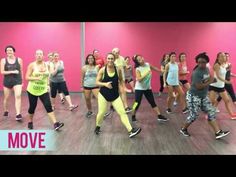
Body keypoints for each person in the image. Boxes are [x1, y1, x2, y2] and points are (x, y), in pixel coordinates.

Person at [180, 52, 230, 139]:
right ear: (197, 62)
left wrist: (212, 80)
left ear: (206, 62)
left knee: (211, 112)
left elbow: (207, 79)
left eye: (203, 62)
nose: (201, 64)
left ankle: (218, 132)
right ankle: (183, 129)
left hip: (203, 96)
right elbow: (199, 86)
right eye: (199, 62)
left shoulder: (206, 69)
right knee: (194, 116)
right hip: (193, 96)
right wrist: (210, 81)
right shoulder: (196, 73)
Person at [94, 53, 141, 138]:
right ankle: (97, 126)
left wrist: (123, 88)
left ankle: (131, 130)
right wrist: (105, 84)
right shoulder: (102, 70)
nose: (110, 60)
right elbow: (96, 82)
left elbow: (121, 80)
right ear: (106, 59)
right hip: (103, 95)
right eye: (109, 58)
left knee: (122, 112)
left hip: (115, 95)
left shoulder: (118, 69)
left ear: (114, 60)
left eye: (112, 59)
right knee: (101, 113)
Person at [25, 49, 64, 130]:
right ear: (35, 56)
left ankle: (55, 124)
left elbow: (48, 76)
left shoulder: (47, 65)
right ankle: (30, 122)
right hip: (32, 90)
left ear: (43, 56)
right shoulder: (32, 65)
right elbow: (27, 77)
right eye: (37, 54)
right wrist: (35, 78)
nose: (39, 55)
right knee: (32, 107)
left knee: (48, 106)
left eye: (40, 54)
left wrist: (48, 84)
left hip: (43, 90)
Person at [131, 54, 168, 122]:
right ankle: (132, 115)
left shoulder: (148, 64)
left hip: (147, 88)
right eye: (139, 59)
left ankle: (159, 115)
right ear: (138, 62)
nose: (141, 59)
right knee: (136, 103)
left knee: (152, 102)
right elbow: (139, 79)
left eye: (141, 57)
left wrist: (162, 71)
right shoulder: (137, 69)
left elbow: (155, 68)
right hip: (139, 88)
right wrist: (146, 73)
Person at [208, 52, 236, 119]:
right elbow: (218, 76)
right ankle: (210, 115)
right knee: (212, 102)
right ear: (218, 58)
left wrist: (229, 69)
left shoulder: (224, 65)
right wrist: (226, 81)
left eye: (224, 56)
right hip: (213, 86)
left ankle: (231, 114)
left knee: (227, 100)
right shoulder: (216, 65)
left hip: (221, 87)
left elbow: (225, 72)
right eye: (221, 56)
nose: (224, 57)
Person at [0, 45, 23, 121]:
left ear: (13, 51)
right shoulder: (3, 60)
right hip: (7, 81)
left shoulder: (19, 60)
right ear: (6, 52)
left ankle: (18, 114)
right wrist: (12, 71)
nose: (9, 52)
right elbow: (2, 72)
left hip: (17, 80)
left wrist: (22, 81)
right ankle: (6, 110)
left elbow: (21, 71)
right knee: (6, 98)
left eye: (10, 50)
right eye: (7, 50)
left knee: (18, 95)